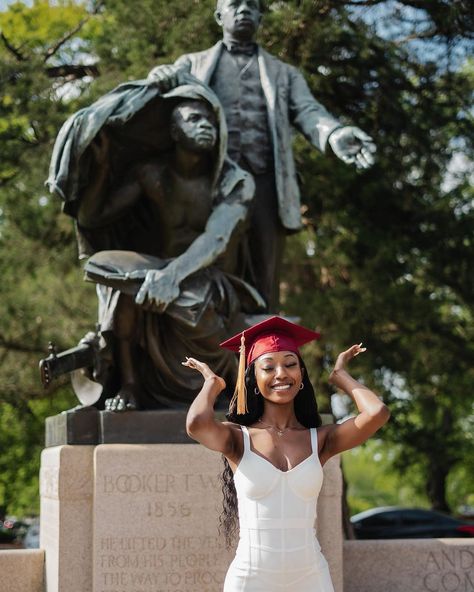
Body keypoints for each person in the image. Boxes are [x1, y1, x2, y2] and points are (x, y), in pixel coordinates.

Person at [48, 80, 265, 410]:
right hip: (157, 271)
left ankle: (232, 380)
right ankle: (131, 386)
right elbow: (94, 218)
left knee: (193, 299)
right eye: (193, 119)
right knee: (118, 282)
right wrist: (104, 166)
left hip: (209, 277)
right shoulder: (151, 174)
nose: (205, 125)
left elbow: (216, 239)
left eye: (210, 120)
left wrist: (171, 277)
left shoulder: (234, 182)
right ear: (173, 132)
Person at [149, 0, 376, 311]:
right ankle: (209, 347)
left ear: (260, 16)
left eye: (252, 6)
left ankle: (266, 351)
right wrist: (162, 75)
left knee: (264, 272)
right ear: (219, 15)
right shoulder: (192, 63)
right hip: (214, 181)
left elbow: (309, 112)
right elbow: (162, 93)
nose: (244, 10)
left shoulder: (284, 74)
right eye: (235, 4)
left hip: (266, 184)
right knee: (208, 265)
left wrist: (334, 133)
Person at [183, 316, 390, 591]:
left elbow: (377, 413)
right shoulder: (238, 439)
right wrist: (213, 383)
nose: (281, 373)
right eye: (268, 367)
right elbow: (196, 424)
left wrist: (341, 376)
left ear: (301, 374)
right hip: (251, 579)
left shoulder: (320, 440)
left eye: (290, 364)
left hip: (310, 577)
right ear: (254, 378)